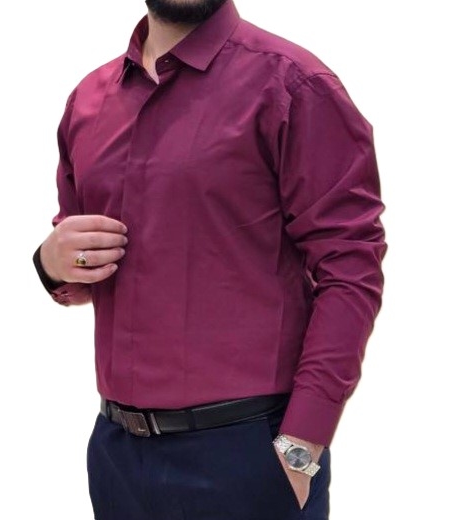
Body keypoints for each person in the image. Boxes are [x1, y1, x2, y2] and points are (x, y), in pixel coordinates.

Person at [33, 1, 387, 518]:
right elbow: (82, 257)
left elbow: (351, 268)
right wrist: (50, 264)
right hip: (117, 454)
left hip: (248, 457)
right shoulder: (88, 100)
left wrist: (302, 445)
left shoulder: (293, 85)